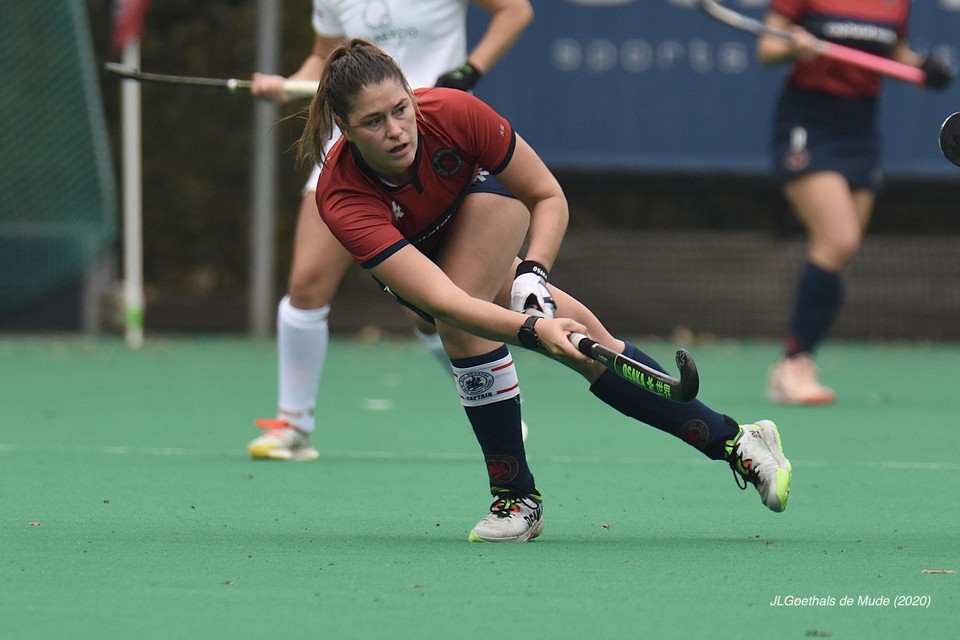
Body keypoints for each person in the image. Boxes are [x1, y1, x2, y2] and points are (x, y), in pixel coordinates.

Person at [296, 39, 793, 543]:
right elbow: (442, 300)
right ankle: (738, 441)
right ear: (347, 128)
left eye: (401, 109)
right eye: (373, 122)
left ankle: (515, 498)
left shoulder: (454, 113)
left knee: (462, 329)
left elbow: (546, 194)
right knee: (592, 352)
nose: (396, 131)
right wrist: (537, 329)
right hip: (434, 265)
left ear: (412, 95)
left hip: (488, 198)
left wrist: (534, 274)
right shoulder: (341, 195)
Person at [247, 0, 534, 460]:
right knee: (306, 283)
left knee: (433, 310)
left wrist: (467, 71)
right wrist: (285, 85)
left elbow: (515, 10)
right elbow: (324, 59)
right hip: (354, 156)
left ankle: (497, 401)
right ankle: (292, 424)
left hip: (430, 143)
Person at [758, 0, 952, 405]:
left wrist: (922, 69)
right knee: (838, 239)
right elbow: (768, 49)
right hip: (808, 118)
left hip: (860, 126)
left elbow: (893, 54)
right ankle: (794, 364)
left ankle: (796, 362)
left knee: (839, 252)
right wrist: (797, 46)